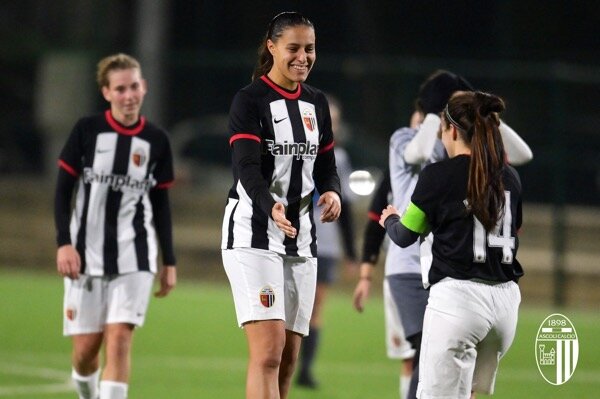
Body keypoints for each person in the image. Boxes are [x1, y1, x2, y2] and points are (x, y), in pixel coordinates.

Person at [353, 70, 532, 399]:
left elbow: (406, 235)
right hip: (505, 305)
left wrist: (391, 219)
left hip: (459, 300)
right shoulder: (509, 177)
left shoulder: (438, 174)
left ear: (448, 128)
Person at [220, 11, 341, 399]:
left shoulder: (317, 103)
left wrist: (333, 191)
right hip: (253, 234)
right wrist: (269, 205)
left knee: (288, 359)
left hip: (301, 240)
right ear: (272, 48)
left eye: (310, 49)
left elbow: (326, 166)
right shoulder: (250, 100)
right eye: (294, 48)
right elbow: (246, 168)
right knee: (269, 353)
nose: (303, 57)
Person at [54, 53, 177, 399]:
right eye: (120, 88)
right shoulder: (87, 130)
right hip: (85, 255)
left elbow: (160, 204)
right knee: (85, 353)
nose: (129, 95)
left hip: (134, 254)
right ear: (106, 93)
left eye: (134, 86)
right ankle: (87, 393)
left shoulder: (157, 141)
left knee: (120, 339)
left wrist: (169, 260)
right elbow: (63, 190)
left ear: (144, 87)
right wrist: (64, 242)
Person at [296, 95, 358, 389]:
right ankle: (285, 362)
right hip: (295, 239)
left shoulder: (339, 158)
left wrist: (351, 254)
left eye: (334, 119)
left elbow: (345, 209)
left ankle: (305, 370)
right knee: (292, 307)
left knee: (316, 308)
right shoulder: (296, 150)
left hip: (327, 244)